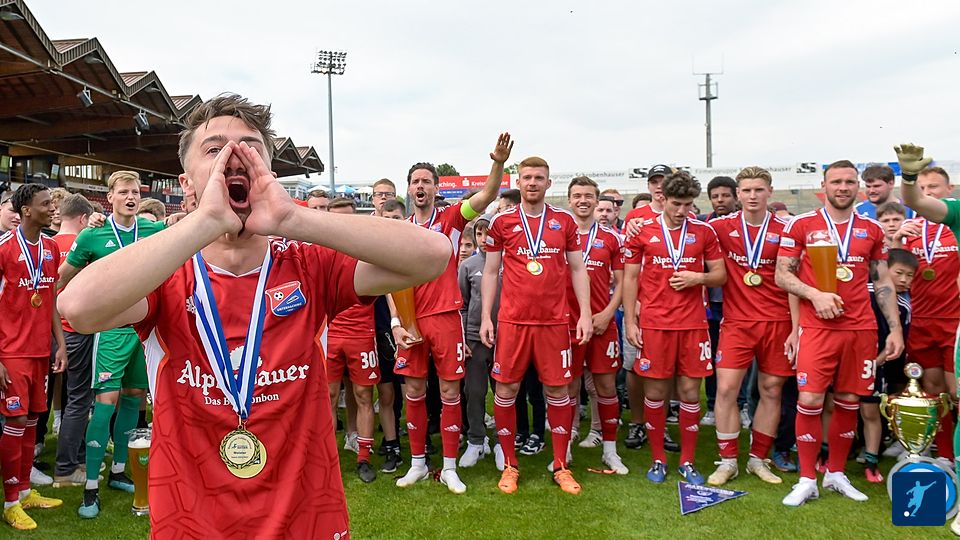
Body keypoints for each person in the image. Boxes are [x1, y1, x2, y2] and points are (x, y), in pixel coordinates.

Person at [57, 93, 450, 538]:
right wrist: (206, 221)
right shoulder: (165, 272)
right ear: (187, 183)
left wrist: (290, 217)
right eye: (215, 149)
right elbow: (76, 307)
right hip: (192, 522)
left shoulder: (309, 264)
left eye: (250, 148)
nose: (234, 157)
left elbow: (433, 255)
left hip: (305, 518)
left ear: (270, 173)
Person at [776, 159, 903, 506]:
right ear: (824, 186)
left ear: (857, 186)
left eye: (849, 182)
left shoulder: (871, 228)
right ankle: (806, 479)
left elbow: (882, 280)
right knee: (810, 400)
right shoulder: (802, 224)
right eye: (836, 182)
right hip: (817, 327)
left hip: (860, 327)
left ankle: (835, 473)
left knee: (849, 400)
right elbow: (782, 275)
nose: (843, 187)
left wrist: (894, 329)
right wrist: (815, 295)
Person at [392, 134, 513, 494]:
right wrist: (396, 323)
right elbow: (387, 278)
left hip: (445, 315)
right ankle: (417, 463)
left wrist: (498, 163)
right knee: (414, 389)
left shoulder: (451, 218)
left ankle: (448, 467)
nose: (420, 186)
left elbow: (487, 195)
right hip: (410, 319)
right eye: (415, 181)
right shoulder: (397, 229)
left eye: (426, 181)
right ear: (409, 188)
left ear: (436, 187)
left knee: (449, 390)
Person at [481, 156, 592, 495]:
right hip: (513, 321)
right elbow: (490, 272)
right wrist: (486, 317)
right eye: (527, 177)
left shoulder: (564, 221)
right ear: (518, 182)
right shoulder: (502, 222)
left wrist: (585, 313)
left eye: (538, 178)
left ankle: (560, 465)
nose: (532, 183)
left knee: (558, 391)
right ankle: (510, 465)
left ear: (548, 183)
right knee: (506, 390)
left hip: (554, 322)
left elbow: (578, 269)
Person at [57, 171, 164, 518]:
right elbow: (63, 277)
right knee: (105, 403)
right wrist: (57, 316)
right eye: (124, 192)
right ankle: (90, 488)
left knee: (134, 397)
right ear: (111, 197)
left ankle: (118, 470)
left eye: (135, 192)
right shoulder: (93, 233)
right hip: (110, 332)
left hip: (143, 331)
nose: (131, 197)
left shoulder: (152, 230)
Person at [622, 171, 725, 485]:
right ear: (662, 198)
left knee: (690, 392)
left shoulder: (704, 232)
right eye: (676, 204)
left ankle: (687, 461)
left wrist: (698, 278)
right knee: (655, 392)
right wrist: (630, 322)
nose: (682, 211)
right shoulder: (642, 230)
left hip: (693, 324)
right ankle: (658, 459)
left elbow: (720, 275)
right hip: (654, 324)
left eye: (688, 204)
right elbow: (629, 278)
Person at [706, 166, 794, 486]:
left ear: (770, 191)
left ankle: (758, 459)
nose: (752, 196)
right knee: (726, 390)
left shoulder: (788, 228)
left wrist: (797, 329)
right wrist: (637, 224)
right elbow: (682, 226)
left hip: (778, 322)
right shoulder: (719, 227)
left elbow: (795, 278)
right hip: (737, 322)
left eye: (759, 189)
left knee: (771, 390)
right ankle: (728, 461)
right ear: (738, 194)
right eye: (746, 190)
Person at [0, 184, 66, 531]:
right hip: (11, 351)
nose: (52, 208)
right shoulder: (4, 248)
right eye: (45, 204)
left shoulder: (51, 247)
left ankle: (25, 492)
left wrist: (60, 344)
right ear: (26, 210)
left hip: (41, 350)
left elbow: (50, 298)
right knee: (16, 421)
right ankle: (10, 503)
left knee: (31, 422)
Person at [895, 156, 960, 470]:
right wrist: (896, 240)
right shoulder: (911, 230)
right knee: (933, 391)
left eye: (933, 187)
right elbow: (895, 275)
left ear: (949, 189)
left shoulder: (954, 226)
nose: (927, 192)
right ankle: (944, 455)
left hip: (954, 321)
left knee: (956, 392)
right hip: (921, 321)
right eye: (921, 188)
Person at [566, 177, 628, 474]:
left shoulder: (612, 238)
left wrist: (607, 314)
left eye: (588, 196)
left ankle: (610, 450)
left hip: (602, 323)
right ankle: (564, 446)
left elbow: (625, 282)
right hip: (567, 323)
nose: (583, 200)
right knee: (567, 386)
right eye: (577, 195)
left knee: (605, 386)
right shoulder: (559, 235)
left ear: (596, 200)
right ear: (569, 200)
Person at [49, 194, 96, 488]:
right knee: (79, 400)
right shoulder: (86, 245)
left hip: (53, 331)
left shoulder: (47, 244)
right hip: (78, 330)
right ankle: (66, 469)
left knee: (68, 398)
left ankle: (77, 458)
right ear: (83, 218)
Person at [861, 247, 915, 483]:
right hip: (851, 357)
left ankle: (871, 460)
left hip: (878, 362)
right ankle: (827, 454)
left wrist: (877, 361)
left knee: (870, 410)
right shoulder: (865, 291)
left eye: (909, 275)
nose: (904, 280)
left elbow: (894, 340)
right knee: (836, 405)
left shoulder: (902, 304)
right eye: (899, 273)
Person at [699, 176, 742, 430]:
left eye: (725, 195)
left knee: (739, 361)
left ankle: (743, 405)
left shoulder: (745, 224)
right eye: (715, 196)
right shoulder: (703, 224)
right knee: (714, 356)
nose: (720, 200)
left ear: (735, 197)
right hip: (711, 304)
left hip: (739, 303)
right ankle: (712, 405)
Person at [458, 213, 497, 467]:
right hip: (474, 338)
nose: (484, 239)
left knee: (504, 392)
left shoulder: (509, 261)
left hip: (505, 337)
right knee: (474, 391)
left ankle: (503, 441)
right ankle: (476, 440)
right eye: (479, 234)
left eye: (488, 233)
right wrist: (462, 336)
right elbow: (461, 305)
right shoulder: (468, 266)